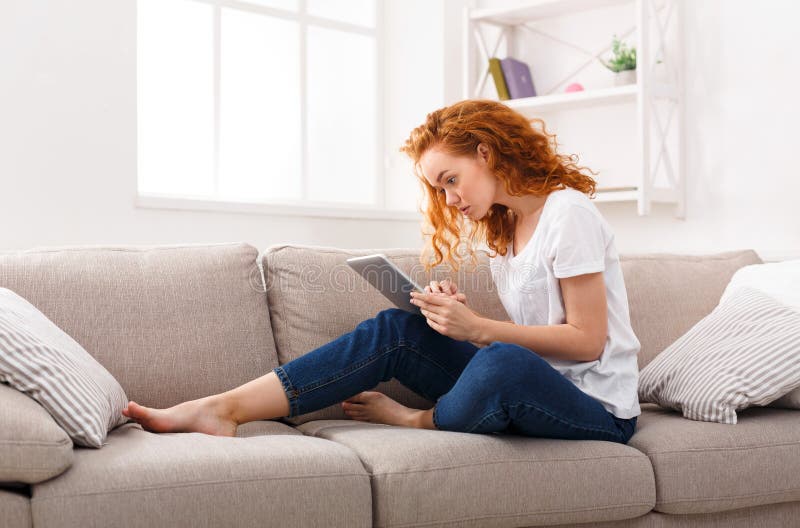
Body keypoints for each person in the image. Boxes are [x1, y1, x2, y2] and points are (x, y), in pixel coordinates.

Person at [122, 99, 641, 443]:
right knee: (401, 330)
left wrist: (480, 332)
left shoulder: (567, 213)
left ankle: (418, 419)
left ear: (487, 153)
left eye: (451, 179)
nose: (449, 198)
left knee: (502, 362)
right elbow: (533, 335)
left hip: (597, 409)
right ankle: (225, 408)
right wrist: (455, 320)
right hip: (534, 383)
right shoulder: (505, 229)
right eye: (438, 189)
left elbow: (588, 341)